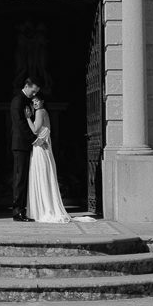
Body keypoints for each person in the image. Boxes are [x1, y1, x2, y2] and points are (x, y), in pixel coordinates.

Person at [26, 94, 93, 224]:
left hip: (40, 148)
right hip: (42, 145)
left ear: (42, 102)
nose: (35, 103)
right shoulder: (43, 112)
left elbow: (35, 130)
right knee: (44, 174)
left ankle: (43, 208)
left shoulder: (40, 111)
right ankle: (45, 206)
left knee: (42, 174)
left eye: (37, 101)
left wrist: (28, 118)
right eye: (33, 102)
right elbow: (45, 131)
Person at [9, 78, 39, 222]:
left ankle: (23, 208)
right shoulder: (18, 101)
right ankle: (17, 211)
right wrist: (33, 139)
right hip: (20, 144)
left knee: (24, 177)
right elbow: (20, 124)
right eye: (33, 91)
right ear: (26, 86)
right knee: (20, 178)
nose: (34, 94)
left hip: (25, 144)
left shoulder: (26, 100)